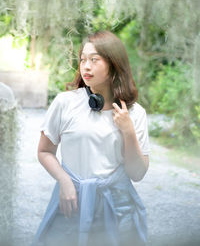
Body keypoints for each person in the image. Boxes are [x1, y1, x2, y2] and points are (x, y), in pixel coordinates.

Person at [32, 31, 150, 246]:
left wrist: (128, 131)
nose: (86, 66)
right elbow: (44, 151)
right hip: (71, 203)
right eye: (83, 60)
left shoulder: (135, 113)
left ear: (114, 64)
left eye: (94, 60)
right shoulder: (65, 103)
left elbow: (137, 172)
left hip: (117, 207)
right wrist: (64, 181)